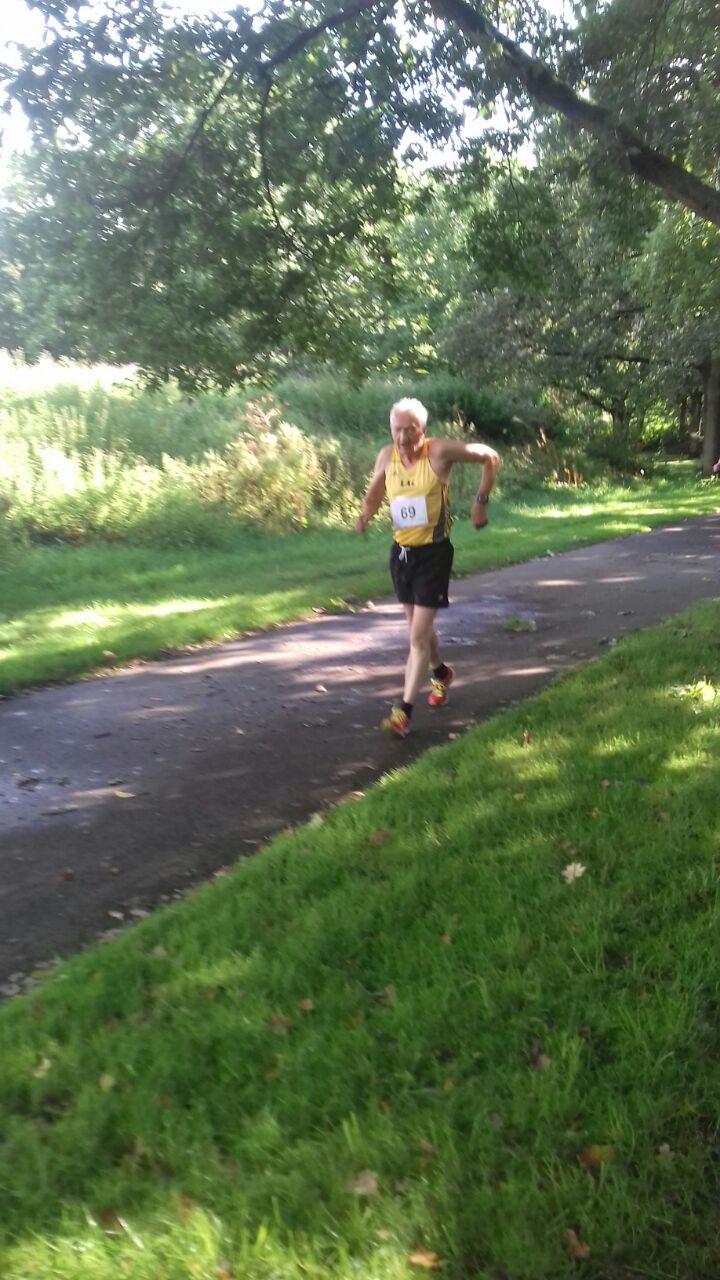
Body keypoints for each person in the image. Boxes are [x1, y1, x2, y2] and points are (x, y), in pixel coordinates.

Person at [355, 397, 500, 738]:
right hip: (402, 555)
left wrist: (480, 503)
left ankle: (403, 712)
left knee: (418, 636)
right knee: (417, 633)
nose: (402, 438)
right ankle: (441, 673)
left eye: (410, 430)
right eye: (397, 430)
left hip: (434, 554)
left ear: (424, 429)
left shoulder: (439, 452)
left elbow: (491, 457)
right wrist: (364, 515)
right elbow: (375, 491)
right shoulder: (386, 456)